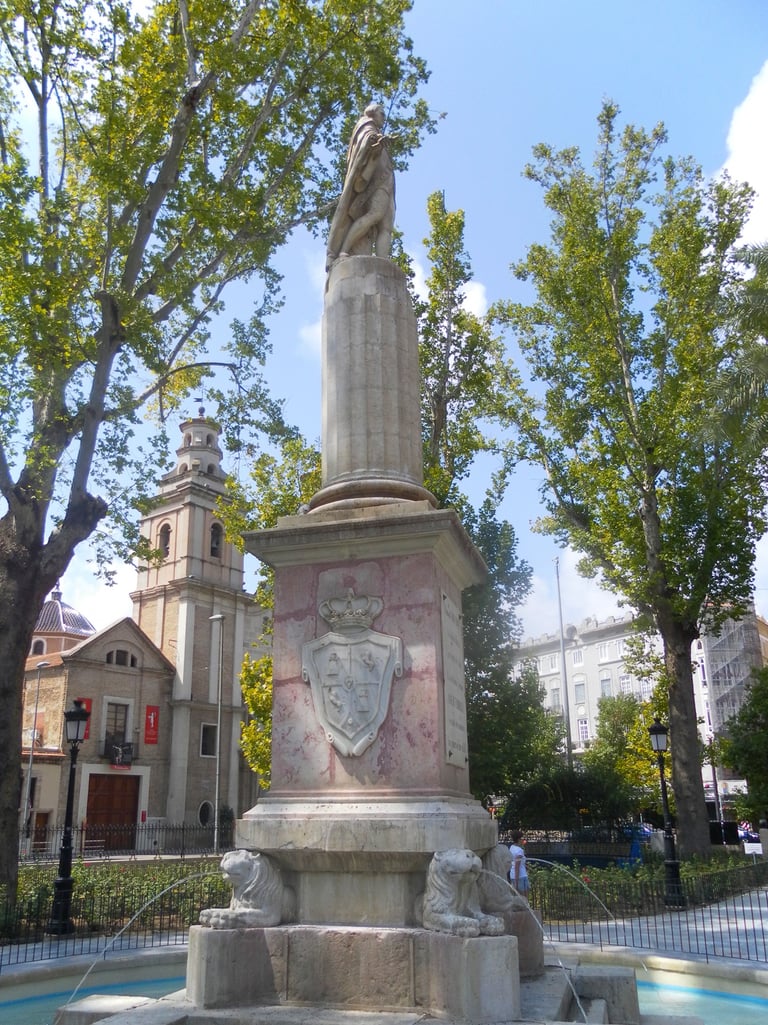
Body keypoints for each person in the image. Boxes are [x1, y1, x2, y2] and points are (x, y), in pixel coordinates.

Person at [326, 102, 396, 268]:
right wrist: (377, 142)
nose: (384, 117)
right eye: (381, 113)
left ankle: (383, 263)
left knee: (386, 225)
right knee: (375, 214)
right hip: (376, 182)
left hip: (387, 180)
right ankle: (344, 250)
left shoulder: (376, 132)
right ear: (372, 113)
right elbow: (366, 145)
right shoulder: (366, 127)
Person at [508, 830, 529, 899]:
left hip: (513, 875)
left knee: (518, 898)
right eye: (522, 838)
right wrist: (516, 883)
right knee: (524, 899)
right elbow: (517, 867)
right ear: (519, 839)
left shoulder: (511, 848)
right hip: (521, 876)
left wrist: (526, 866)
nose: (523, 840)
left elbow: (514, 862)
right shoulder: (519, 851)